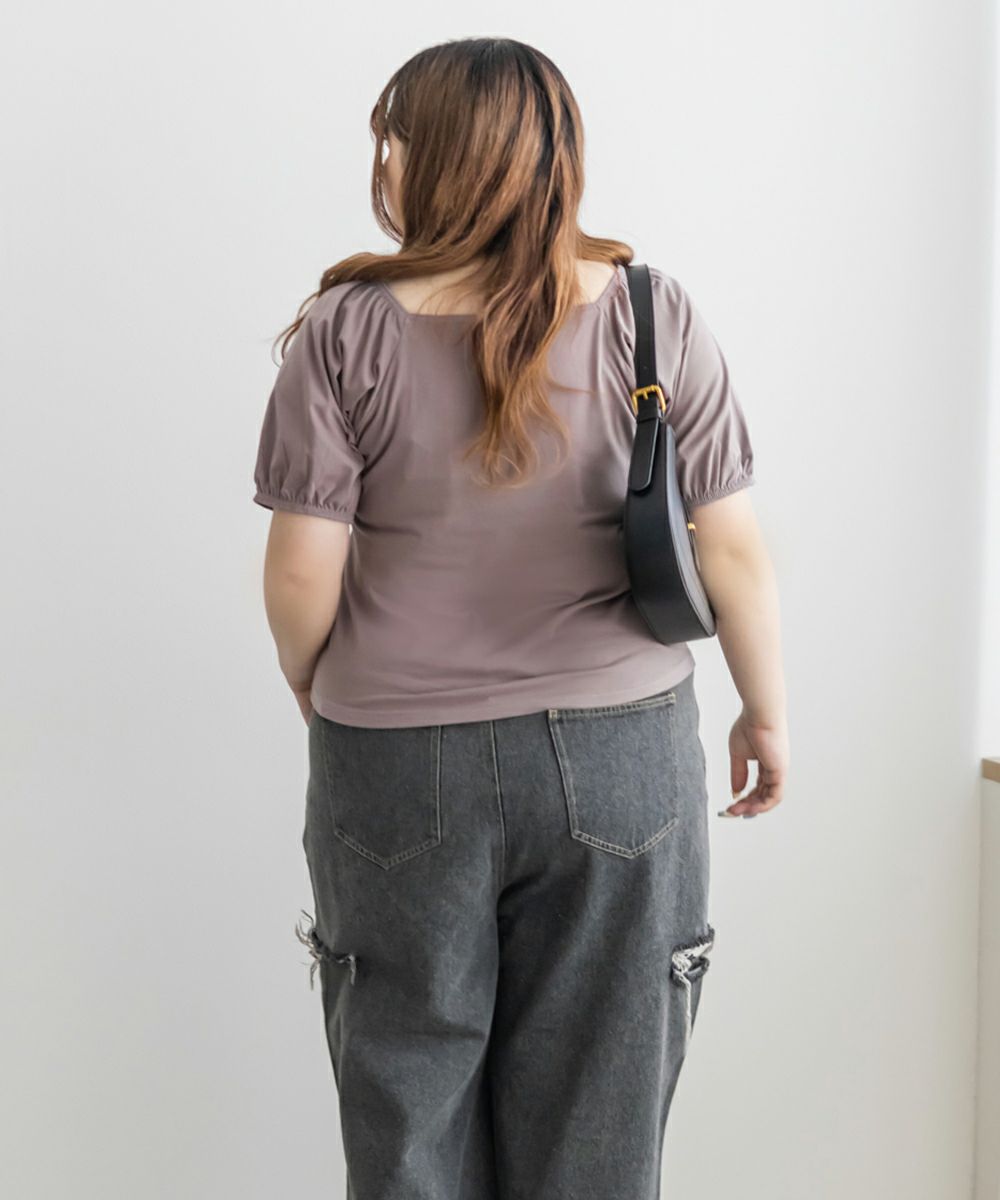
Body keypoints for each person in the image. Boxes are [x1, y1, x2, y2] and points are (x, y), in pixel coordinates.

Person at [251, 36, 789, 1200]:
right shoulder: (651, 313)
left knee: (406, 1099)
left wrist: (311, 676)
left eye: (392, 140)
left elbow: (299, 574)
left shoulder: (346, 329)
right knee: (601, 1106)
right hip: (620, 754)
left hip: (394, 760)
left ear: (433, 156)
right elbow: (731, 545)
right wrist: (764, 710)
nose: (382, 164)